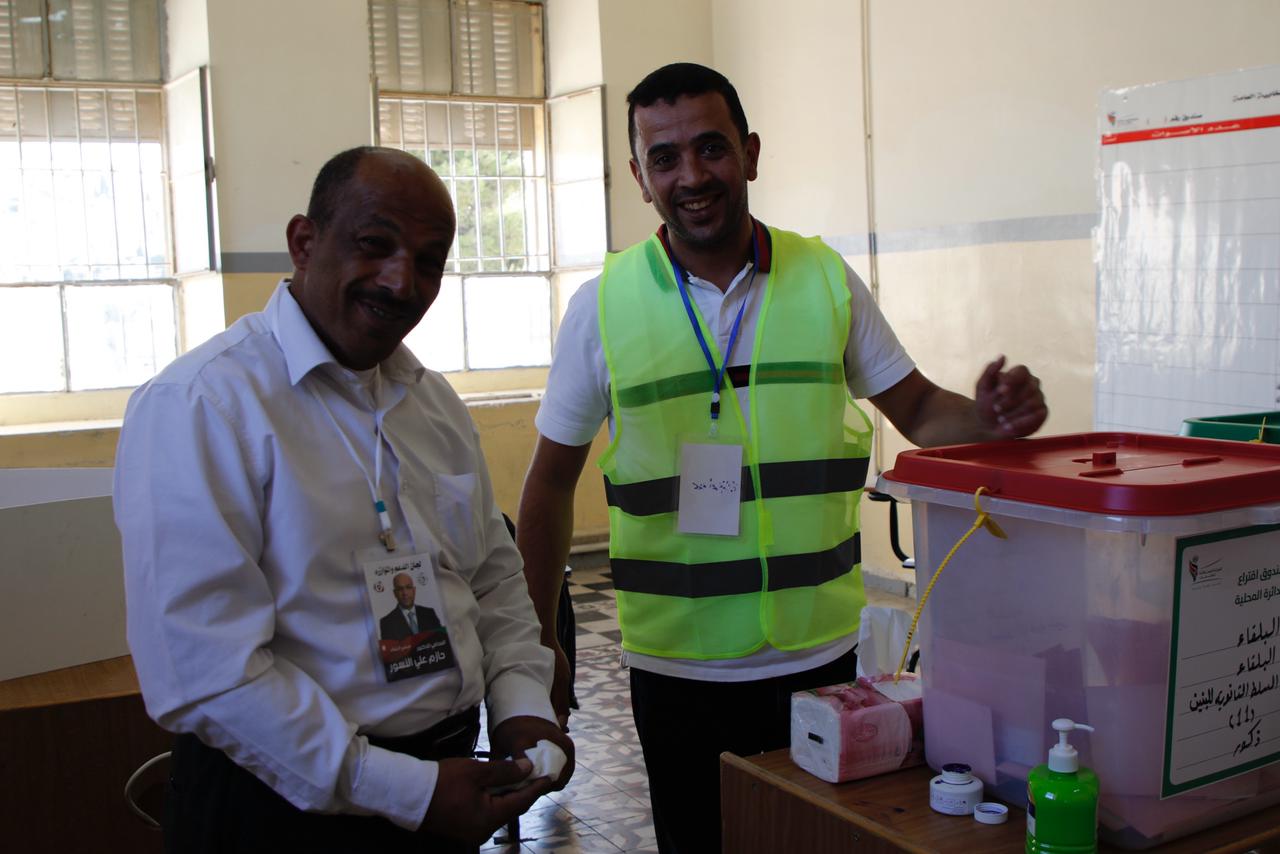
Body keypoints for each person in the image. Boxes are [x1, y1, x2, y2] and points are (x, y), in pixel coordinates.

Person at [515, 63, 1046, 854]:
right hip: (678, 670)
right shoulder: (603, 306)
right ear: (639, 177)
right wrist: (540, 643)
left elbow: (924, 411)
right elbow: (549, 484)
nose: (692, 176)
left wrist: (990, 420)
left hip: (820, 659)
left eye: (711, 148)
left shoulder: (825, 280)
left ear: (751, 153)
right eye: (665, 158)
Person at [114, 146, 573, 853]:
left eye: (428, 261)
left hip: (445, 784)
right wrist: (402, 790)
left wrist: (521, 702)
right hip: (280, 809)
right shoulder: (202, 406)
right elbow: (206, 673)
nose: (401, 281)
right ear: (304, 242)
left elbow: (491, 577)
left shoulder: (432, 403)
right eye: (375, 245)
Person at [381, 572, 444, 641]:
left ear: (414, 590)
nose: (405, 593)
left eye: (408, 587)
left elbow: (441, 639)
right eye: (400, 589)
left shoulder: (430, 614)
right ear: (395, 593)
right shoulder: (387, 623)